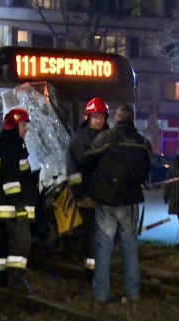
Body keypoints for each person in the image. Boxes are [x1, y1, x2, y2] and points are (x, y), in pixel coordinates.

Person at [82, 104, 152, 303]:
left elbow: (86, 161)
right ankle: (133, 293)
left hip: (105, 201)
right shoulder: (142, 143)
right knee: (130, 245)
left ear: (116, 118)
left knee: (104, 246)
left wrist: (95, 185)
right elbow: (147, 171)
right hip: (130, 201)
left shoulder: (105, 138)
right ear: (133, 118)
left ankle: (101, 294)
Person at [0, 108, 38, 293]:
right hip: (12, 207)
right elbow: (11, 180)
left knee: (1, 241)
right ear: (14, 125)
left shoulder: (3, 144)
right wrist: (19, 204)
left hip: (1, 206)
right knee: (21, 241)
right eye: (23, 125)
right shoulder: (13, 146)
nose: (25, 129)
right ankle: (17, 279)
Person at [66, 97, 109, 277]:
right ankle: (91, 270)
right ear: (88, 117)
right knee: (91, 233)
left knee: (103, 234)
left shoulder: (110, 136)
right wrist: (80, 194)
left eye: (101, 117)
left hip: (106, 196)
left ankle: (98, 267)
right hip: (88, 196)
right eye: (95, 117)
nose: (98, 121)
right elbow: (74, 170)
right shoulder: (79, 139)